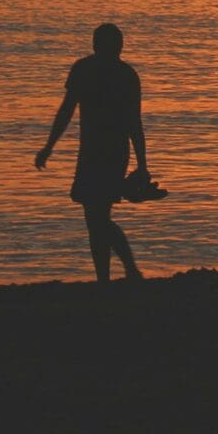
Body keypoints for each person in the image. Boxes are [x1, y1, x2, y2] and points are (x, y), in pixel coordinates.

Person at [36, 23, 154, 282]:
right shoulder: (120, 74)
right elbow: (133, 123)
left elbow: (132, 122)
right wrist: (49, 146)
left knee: (97, 217)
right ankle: (110, 276)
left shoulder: (94, 71)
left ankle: (124, 271)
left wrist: (143, 164)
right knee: (96, 218)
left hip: (105, 153)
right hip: (100, 153)